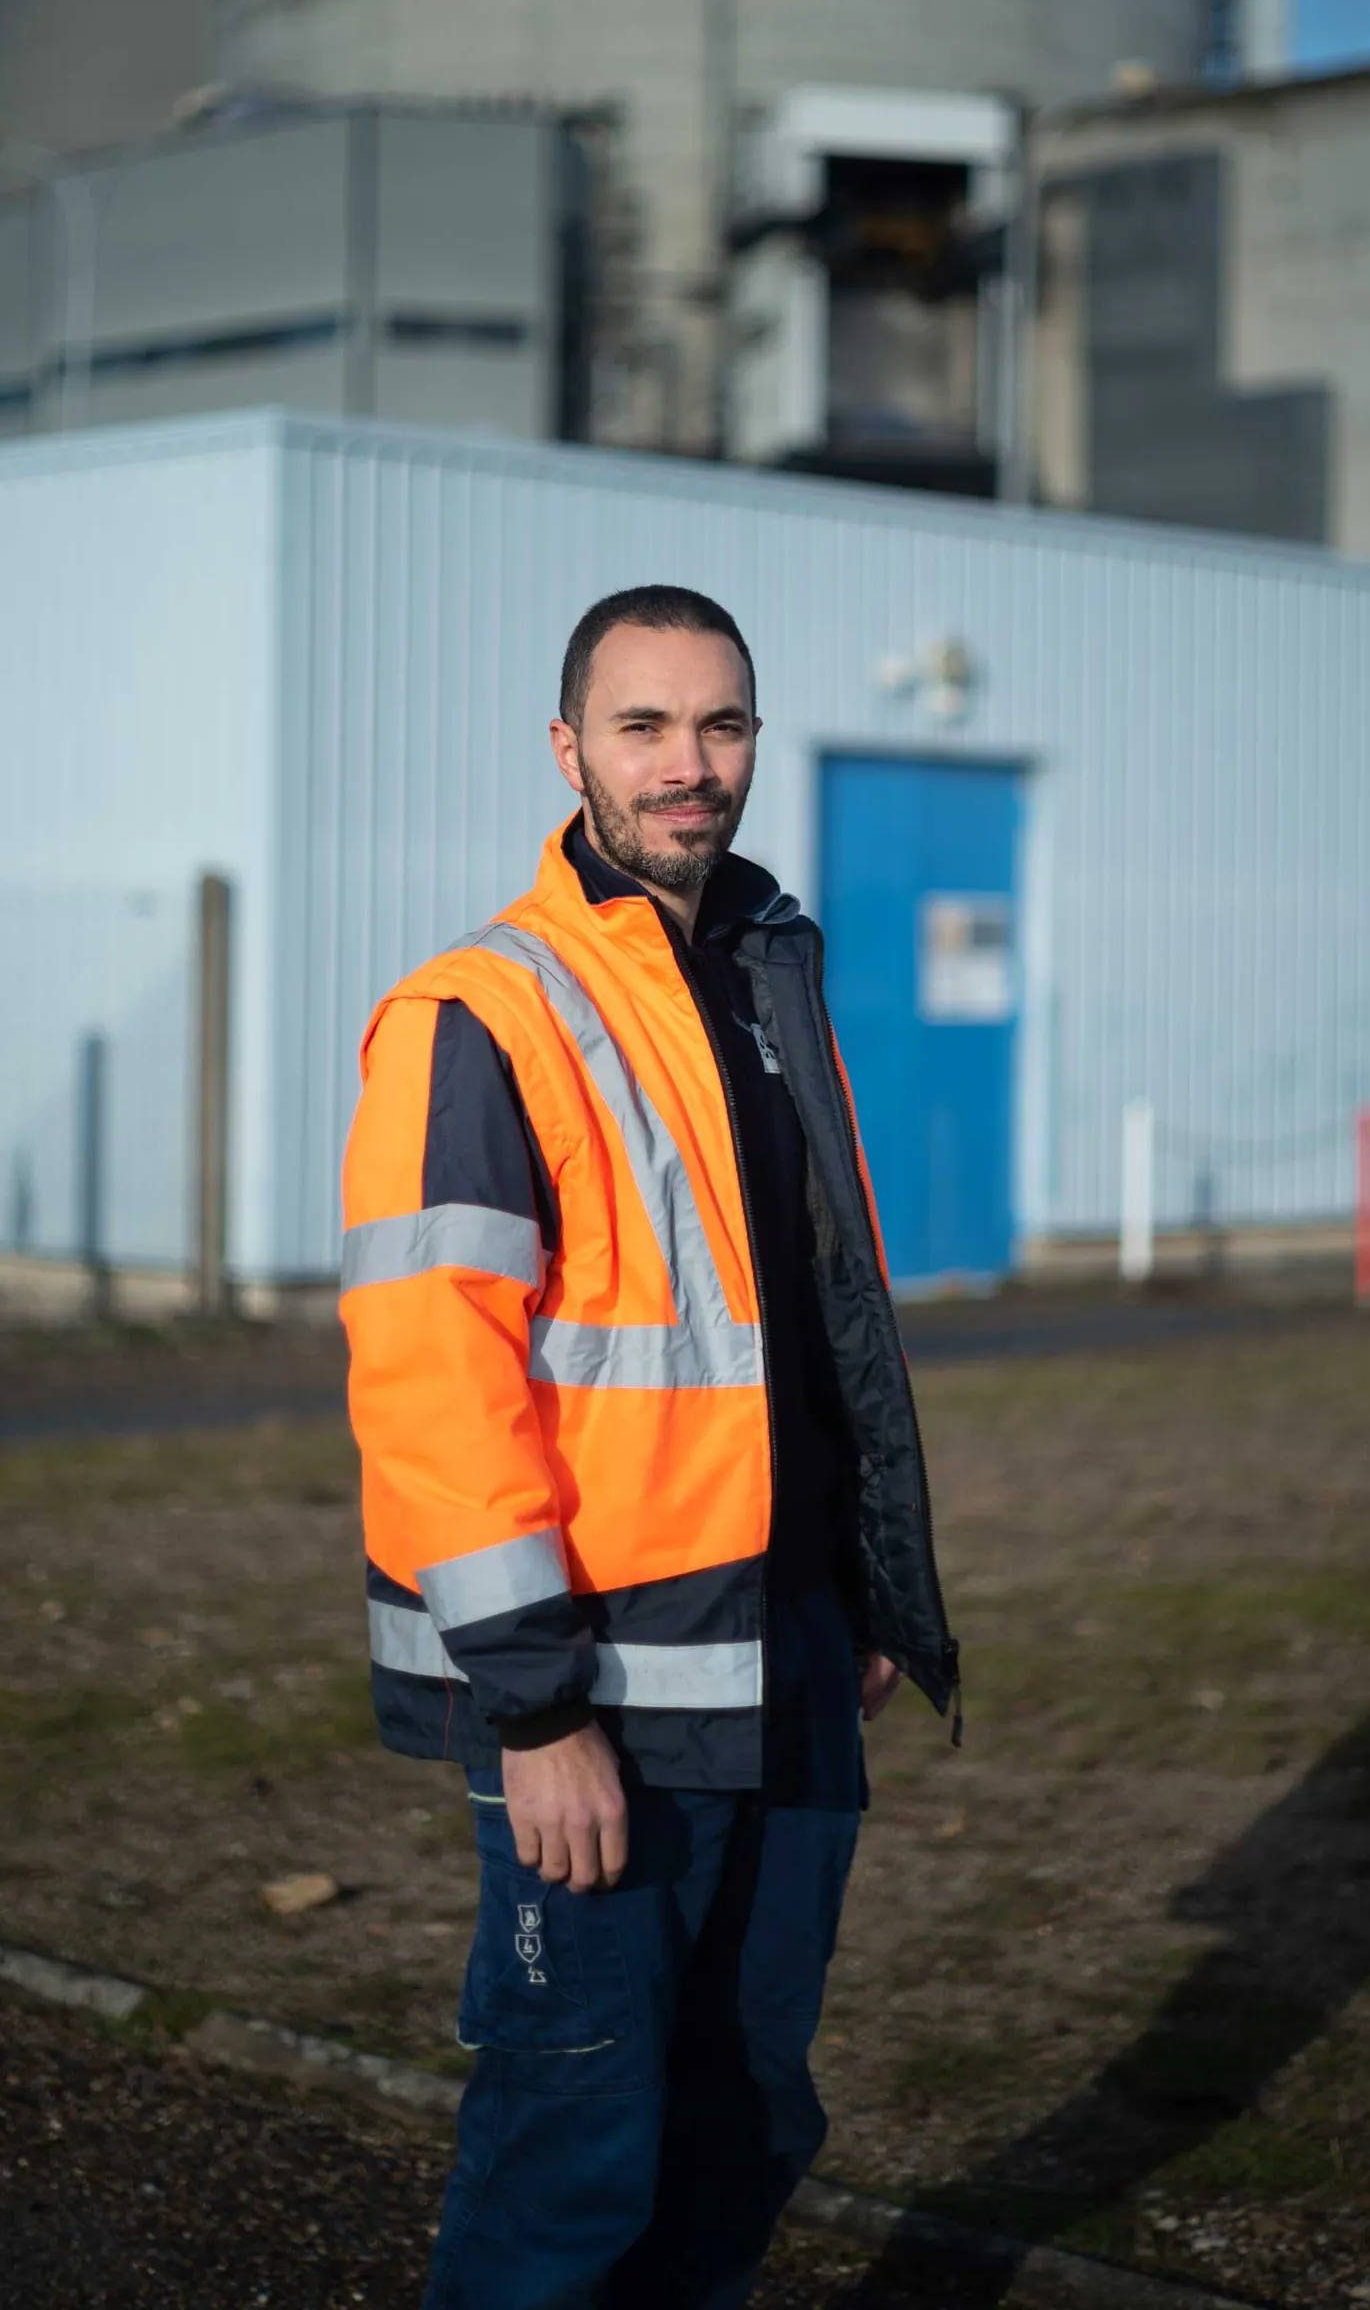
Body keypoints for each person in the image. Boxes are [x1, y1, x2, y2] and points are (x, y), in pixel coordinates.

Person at [340, 583, 958, 2310]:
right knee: (572, 2145)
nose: (691, 766)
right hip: (603, 1685)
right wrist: (534, 1712)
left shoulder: (764, 978)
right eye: (645, 726)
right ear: (570, 750)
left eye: (724, 725)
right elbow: (430, 1386)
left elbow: (807, 1324)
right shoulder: (483, 1010)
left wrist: (867, 1594)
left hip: (793, 1655)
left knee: (751, 2120)